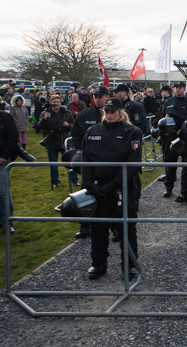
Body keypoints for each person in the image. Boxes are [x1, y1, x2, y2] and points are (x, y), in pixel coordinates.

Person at [81, 97, 142, 280]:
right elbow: (86, 160)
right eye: (106, 112)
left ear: (121, 113)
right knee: (98, 227)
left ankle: (129, 265)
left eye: (112, 112)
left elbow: (133, 162)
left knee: (126, 228)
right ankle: (98, 263)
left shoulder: (132, 132)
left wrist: (113, 185)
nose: (109, 115)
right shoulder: (92, 132)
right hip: (98, 187)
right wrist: (90, 185)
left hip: (121, 187)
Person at [70, 85, 110, 239]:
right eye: (95, 97)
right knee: (86, 192)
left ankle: (114, 227)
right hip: (90, 162)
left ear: (107, 96)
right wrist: (83, 151)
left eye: (100, 97)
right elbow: (76, 134)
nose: (98, 99)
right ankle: (85, 226)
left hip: (108, 163)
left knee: (110, 194)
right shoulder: (85, 114)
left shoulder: (113, 115)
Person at [156, 81, 187, 197]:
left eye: (180, 87)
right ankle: (169, 188)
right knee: (169, 164)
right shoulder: (168, 102)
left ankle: (186, 191)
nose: (178, 90)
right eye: (176, 88)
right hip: (170, 136)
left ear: (184, 89)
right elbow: (162, 119)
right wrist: (161, 135)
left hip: (184, 136)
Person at [38, 95, 77, 188]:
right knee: (53, 164)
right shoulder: (46, 113)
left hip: (64, 141)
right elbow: (40, 126)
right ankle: (55, 181)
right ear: (51, 103)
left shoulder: (66, 113)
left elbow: (74, 126)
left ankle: (74, 180)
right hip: (51, 142)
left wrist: (68, 125)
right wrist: (44, 119)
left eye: (58, 102)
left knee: (70, 161)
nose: (56, 104)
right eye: (54, 102)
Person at [0, 109, 19, 235]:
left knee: (4, 191)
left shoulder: (4, 117)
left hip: (2, 160)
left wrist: (5, 156)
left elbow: (13, 137)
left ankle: (8, 222)